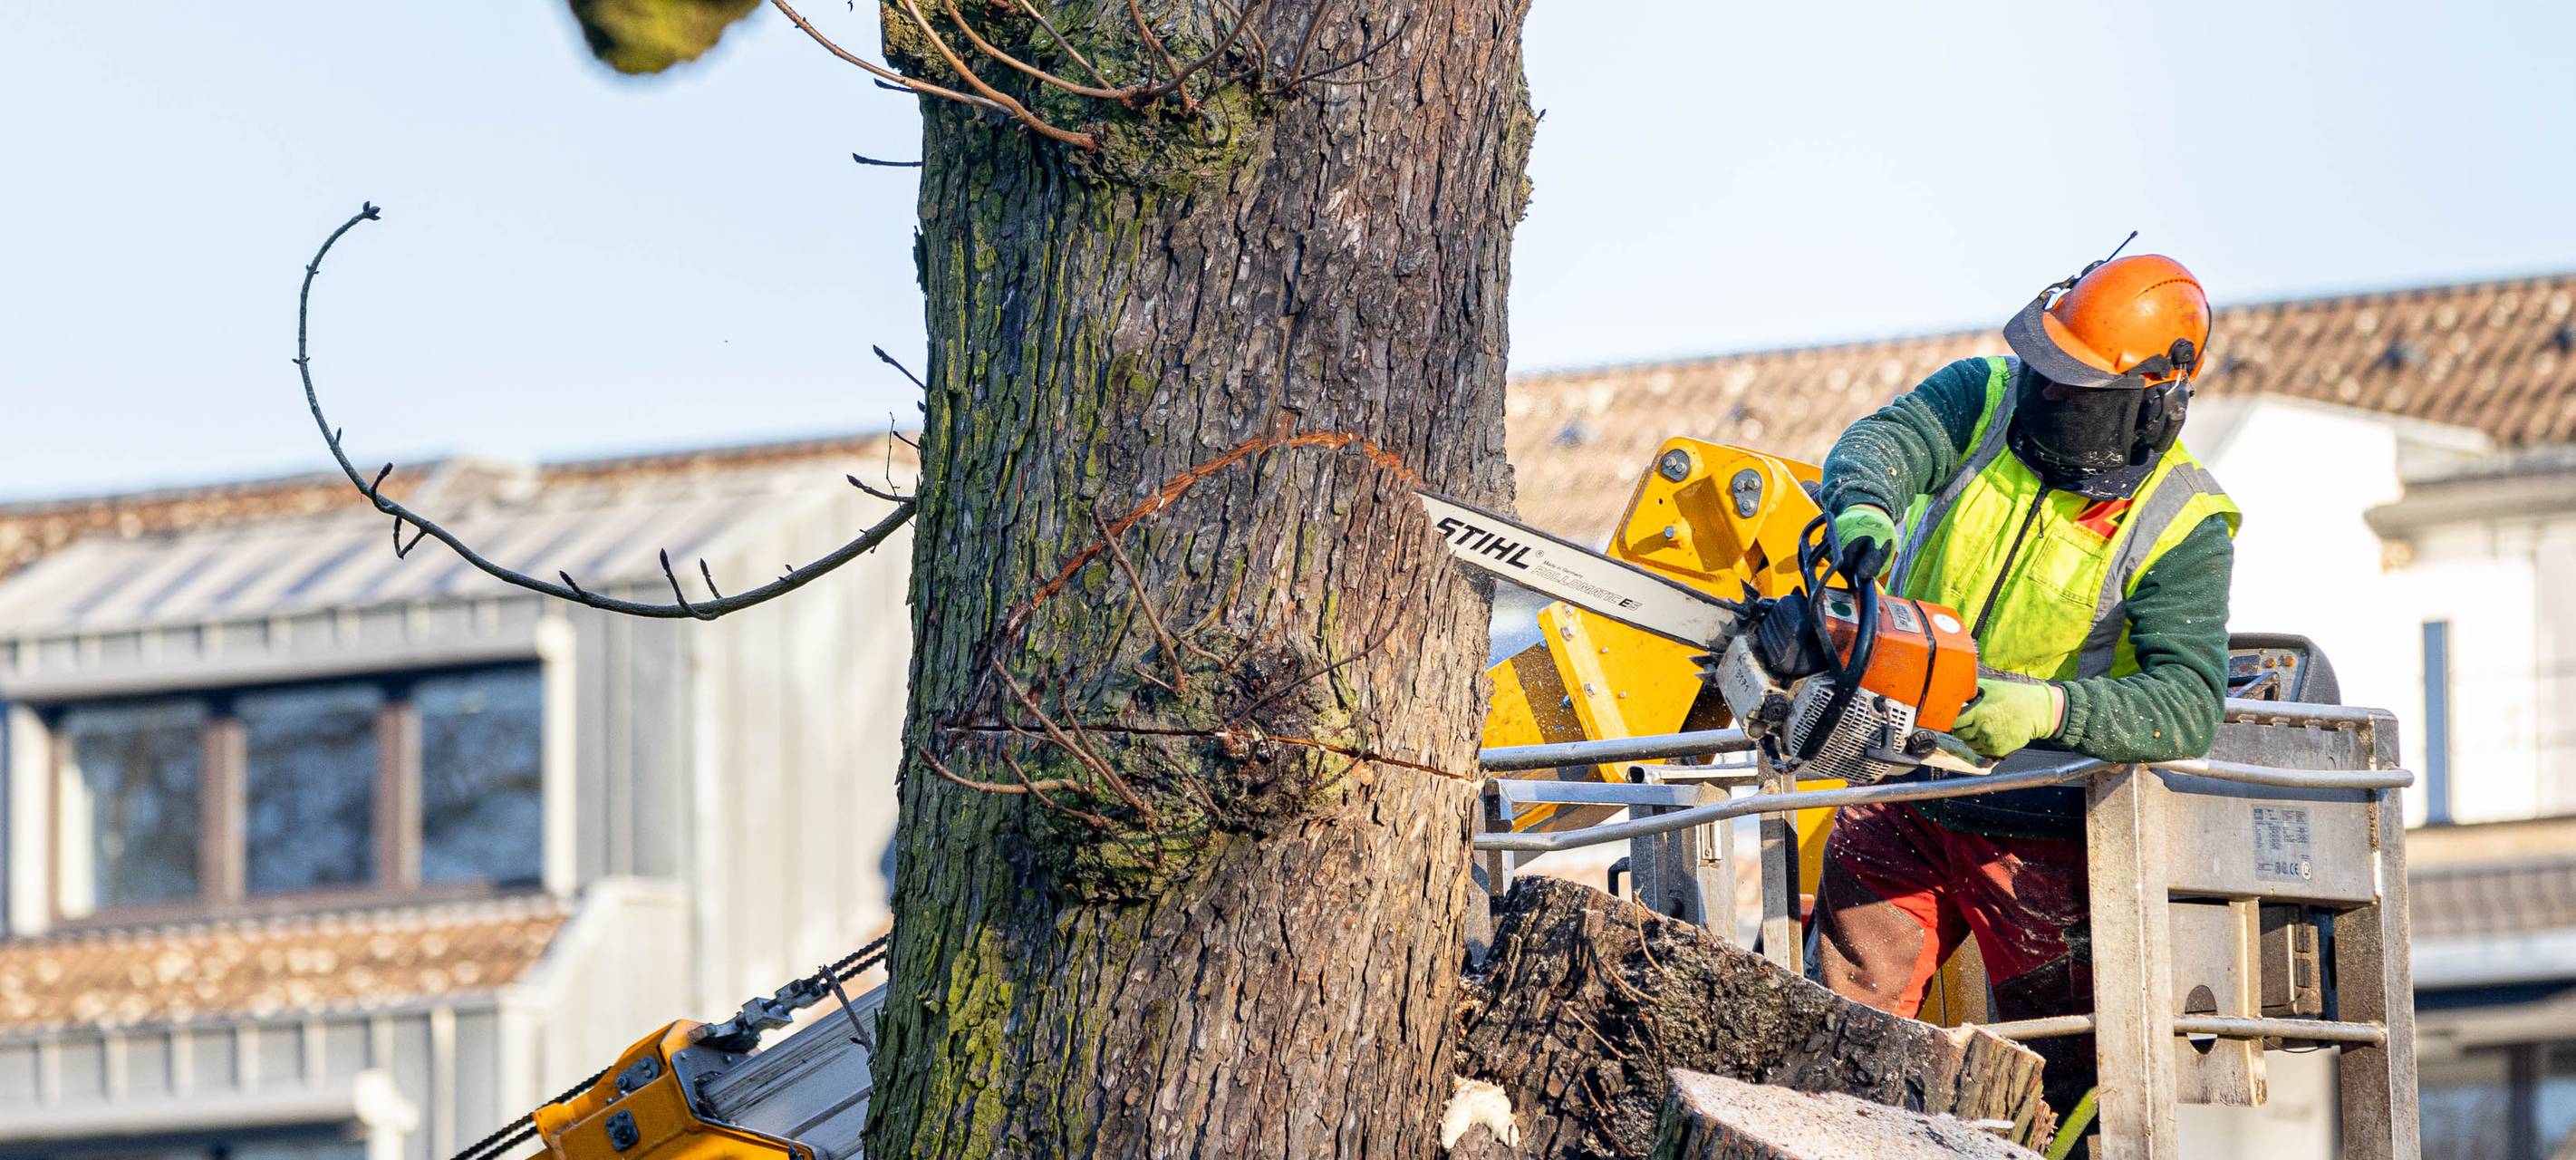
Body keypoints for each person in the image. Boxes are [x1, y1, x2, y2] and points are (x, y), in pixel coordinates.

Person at [1806, 250, 2239, 1119]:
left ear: (2155, 396)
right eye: (2048, 374)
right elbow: (1885, 441)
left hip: (2044, 826)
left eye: (2079, 389)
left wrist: (2049, 709)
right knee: (1840, 1037)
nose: (2049, 397)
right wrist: (1861, 505)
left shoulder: (2183, 522)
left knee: (2059, 1077)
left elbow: (2189, 704)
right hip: (1905, 777)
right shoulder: (1983, 396)